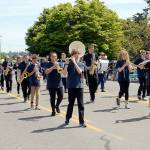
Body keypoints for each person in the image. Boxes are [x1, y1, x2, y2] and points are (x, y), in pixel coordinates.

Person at [65, 49, 86, 127]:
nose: (77, 55)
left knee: (81, 105)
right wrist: (66, 64)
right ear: (72, 55)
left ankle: (81, 122)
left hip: (79, 87)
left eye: (78, 54)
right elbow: (64, 73)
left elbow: (80, 72)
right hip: (71, 86)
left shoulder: (81, 63)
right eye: (75, 54)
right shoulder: (69, 64)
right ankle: (67, 118)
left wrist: (74, 62)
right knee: (71, 104)